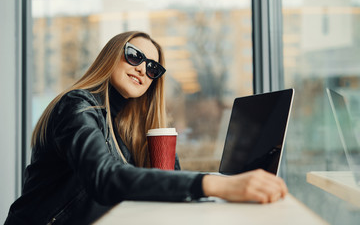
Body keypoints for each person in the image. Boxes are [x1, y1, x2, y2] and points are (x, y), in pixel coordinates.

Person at [5, 31, 288, 225]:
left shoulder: (129, 129)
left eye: (153, 68)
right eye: (134, 56)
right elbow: (104, 178)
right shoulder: (77, 106)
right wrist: (214, 183)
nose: (143, 68)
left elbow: (161, 182)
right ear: (111, 56)